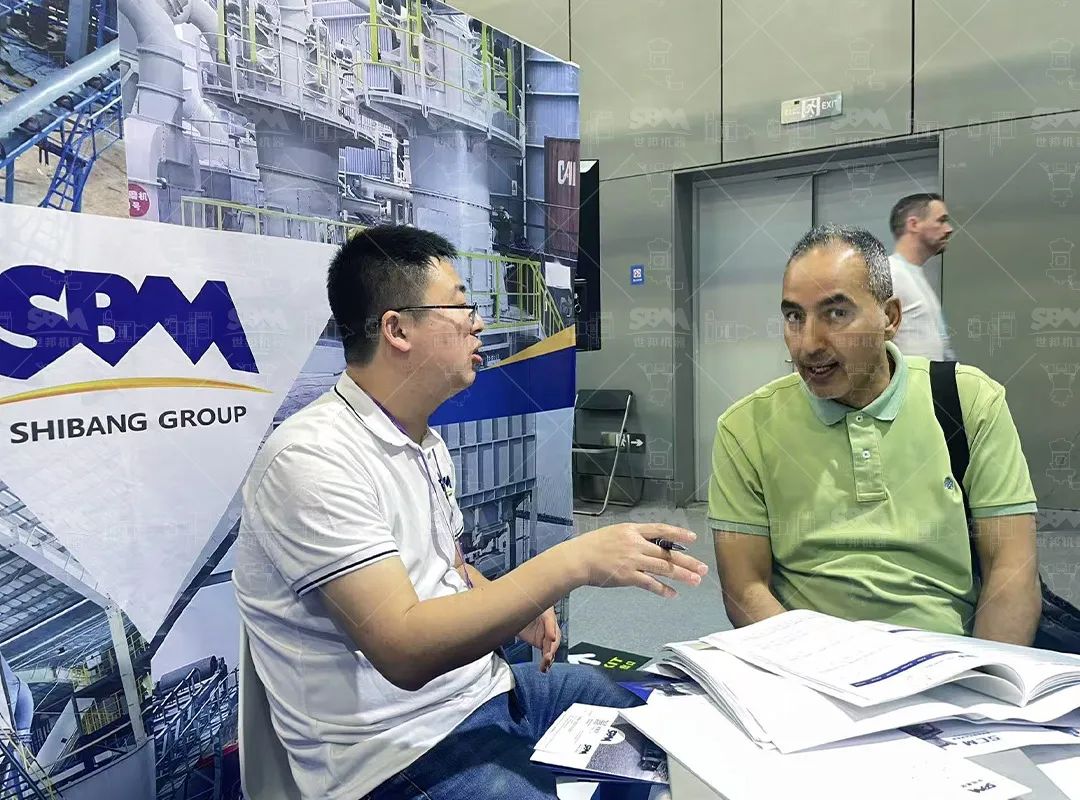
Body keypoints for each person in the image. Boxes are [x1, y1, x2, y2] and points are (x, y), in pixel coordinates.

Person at [232, 225, 708, 800]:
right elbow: (404, 650)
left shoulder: (423, 442)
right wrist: (571, 564)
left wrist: (517, 606)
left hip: (485, 694)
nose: (478, 323)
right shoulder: (311, 459)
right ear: (397, 329)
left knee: (654, 735)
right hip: (396, 753)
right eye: (461, 306)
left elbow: (449, 568)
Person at [709, 224, 1040, 645]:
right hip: (807, 658)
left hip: (945, 654)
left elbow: (1012, 570)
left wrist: (982, 676)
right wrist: (817, 668)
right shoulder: (745, 428)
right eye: (794, 316)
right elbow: (745, 589)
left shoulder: (969, 401)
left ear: (890, 318)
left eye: (836, 313)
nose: (808, 343)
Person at [887, 192, 955, 360]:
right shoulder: (890, 273)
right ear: (914, 224)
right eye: (941, 221)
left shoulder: (914, 275)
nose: (949, 229)